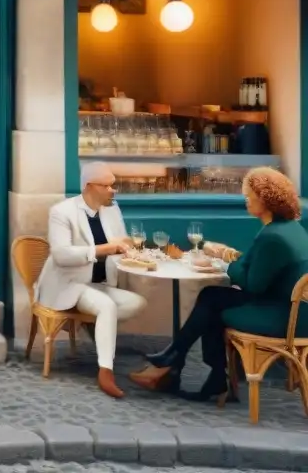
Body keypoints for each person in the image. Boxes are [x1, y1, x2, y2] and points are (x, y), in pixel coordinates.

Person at [129, 167, 308, 403]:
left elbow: (253, 284)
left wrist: (224, 264)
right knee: (211, 297)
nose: (246, 200)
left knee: (212, 304)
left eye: (249, 195)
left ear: (264, 199)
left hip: (281, 316)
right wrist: (227, 255)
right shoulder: (290, 228)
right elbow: (260, 265)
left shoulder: (272, 236)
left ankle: (178, 363)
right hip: (288, 307)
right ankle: (189, 368)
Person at [35, 162, 147, 398]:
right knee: (106, 307)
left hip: (98, 284)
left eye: (113, 186)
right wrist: (101, 249)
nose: (112, 191)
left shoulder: (112, 210)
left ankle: (92, 323)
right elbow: (61, 255)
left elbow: (121, 242)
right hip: (68, 285)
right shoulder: (61, 212)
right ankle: (106, 371)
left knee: (138, 302)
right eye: (106, 186)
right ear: (88, 186)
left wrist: (129, 250)